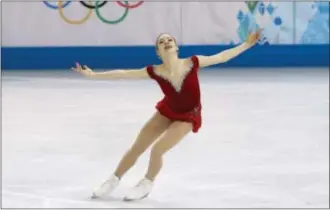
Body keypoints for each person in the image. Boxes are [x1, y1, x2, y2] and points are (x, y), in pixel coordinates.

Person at [72, 30, 261, 201]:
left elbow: (221, 57)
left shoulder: (193, 62)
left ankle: (146, 184)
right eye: (162, 42)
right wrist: (93, 75)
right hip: (167, 111)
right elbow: (124, 73)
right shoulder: (155, 71)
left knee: (157, 150)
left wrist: (247, 44)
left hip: (188, 115)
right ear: (158, 51)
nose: (167, 42)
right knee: (137, 147)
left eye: (170, 39)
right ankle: (113, 181)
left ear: (177, 47)